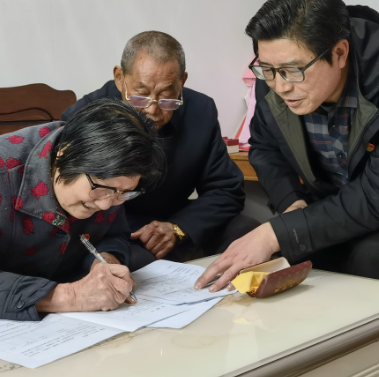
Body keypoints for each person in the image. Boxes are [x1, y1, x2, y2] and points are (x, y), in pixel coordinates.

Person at [196, 0, 379, 292]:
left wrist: (276, 233)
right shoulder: (277, 72)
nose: (280, 86)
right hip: (334, 197)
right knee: (294, 249)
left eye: (293, 71)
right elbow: (265, 147)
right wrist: (291, 202)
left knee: (372, 254)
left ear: (340, 52)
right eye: (267, 69)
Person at [0, 99, 166, 320]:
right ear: (64, 154)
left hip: (41, 272)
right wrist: (72, 296)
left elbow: (113, 233)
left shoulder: (109, 180)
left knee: (139, 270)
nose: (107, 204)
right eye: (101, 188)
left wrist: (104, 262)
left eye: (123, 193)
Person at [62, 31, 249, 272]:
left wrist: (178, 227)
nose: (152, 110)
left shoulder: (201, 110)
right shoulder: (84, 117)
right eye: (140, 96)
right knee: (142, 265)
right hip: (116, 230)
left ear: (181, 82)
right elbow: (73, 200)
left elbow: (226, 189)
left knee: (248, 234)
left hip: (178, 221)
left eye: (166, 97)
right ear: (120, 78)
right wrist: (132, 233)